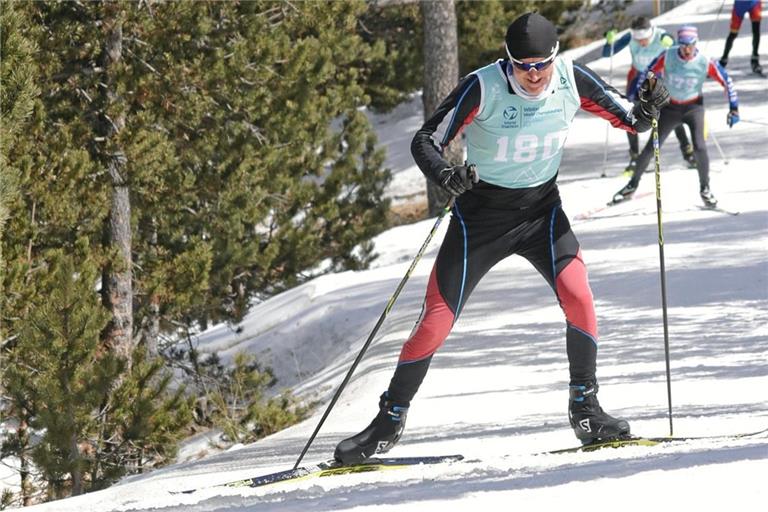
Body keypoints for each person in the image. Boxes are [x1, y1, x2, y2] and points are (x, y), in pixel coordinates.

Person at [334, 12, 671, 464]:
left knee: (580, 297)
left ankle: (586, 410)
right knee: (436, 318)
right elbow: (425, 140)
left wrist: (649, 106)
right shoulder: (483, 85)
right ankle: (387, 422)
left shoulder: (572, 79)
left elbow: (632, 119)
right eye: (522, 65)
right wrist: (445, 175)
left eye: (541, 65)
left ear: (555, 57)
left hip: (541, 213)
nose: (533, 75)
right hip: (481, 218)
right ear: (507, 60)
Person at [612, 25, 739, 208]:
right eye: (683, 45)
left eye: (691, 45)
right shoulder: (669, 55)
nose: (687, 49)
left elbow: (726, 81)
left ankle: (705, 188)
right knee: (651, 147)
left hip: (693, 108)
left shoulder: (705, 61)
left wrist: (734, 108)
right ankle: (632, 185)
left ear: (696, 43)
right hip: (670, 108)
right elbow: (649, 72)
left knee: (700, 147)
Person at [603, 16, 696, 172]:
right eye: (638, 40)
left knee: (671, 114)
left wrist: (671, 43)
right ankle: (634, 158)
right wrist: (609, 41)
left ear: (651, 32)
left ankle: (688, 153)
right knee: (630, 115)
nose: (642, 43)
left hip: (660, 78)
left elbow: (681, 53)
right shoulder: (630, 37)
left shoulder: (661, 35)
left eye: (645, 39)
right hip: (637, 78)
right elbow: (607, 53)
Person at [719, 0, 762, 75]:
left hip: (754, 3)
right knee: (733, 33)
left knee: (756, 31)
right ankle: (723, 59)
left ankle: (755, 59)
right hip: (740, 4)